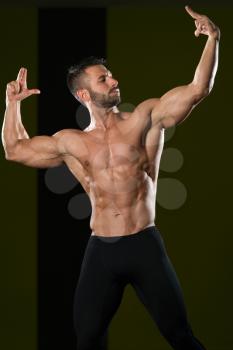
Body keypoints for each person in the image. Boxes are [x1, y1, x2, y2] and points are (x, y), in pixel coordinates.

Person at [2, 5, 220, 350]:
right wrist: (11, 104)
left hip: (144, 245)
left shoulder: (144, 119)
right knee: (87, 341)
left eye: (111, 74)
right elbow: (15, 149)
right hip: (101, 251)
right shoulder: (71, 142)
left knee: (181, 337)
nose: (114, 80)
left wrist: (213, 39)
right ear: (84, 95)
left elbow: (197, 89)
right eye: (103, 79)